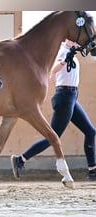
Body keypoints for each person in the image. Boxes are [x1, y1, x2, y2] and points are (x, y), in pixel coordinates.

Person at [11, 39, 96, 181]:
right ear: (68, 40)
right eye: (74, 39)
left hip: (71, 96)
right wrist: (61, 84)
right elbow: (53, 69)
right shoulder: (62, 51)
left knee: (90, 131)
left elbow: (52, 76)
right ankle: (21, 159)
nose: (77, 41)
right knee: (53, 136)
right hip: (65, 97)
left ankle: (93, 170)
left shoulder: (72, 51)